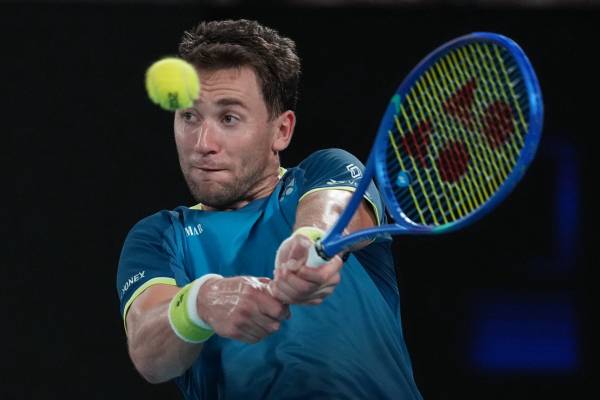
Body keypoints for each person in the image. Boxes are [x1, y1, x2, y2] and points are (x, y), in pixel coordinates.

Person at [116, 19, 422, 400]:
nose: (203, 143)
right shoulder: (159, 237)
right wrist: (201, 303)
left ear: (281, 131)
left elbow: (333, 210)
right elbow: (148, 352)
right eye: (189, 116)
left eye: (228, 118)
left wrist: (310, 244)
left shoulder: (323, 171)